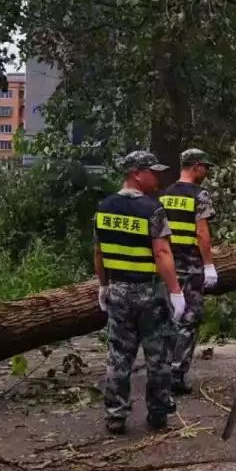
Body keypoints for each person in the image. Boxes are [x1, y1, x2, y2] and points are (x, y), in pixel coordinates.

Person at [94, 151, 186, 434]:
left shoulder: (104, 207)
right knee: (157, 356)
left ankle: (115, 414)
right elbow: (161, 251)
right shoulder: (152, 209)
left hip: (118, 292)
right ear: (136, 173)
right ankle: (158, 414)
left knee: (119, 355)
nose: (156, 177)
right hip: (149, 293)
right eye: (152, 172)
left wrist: (104, 284)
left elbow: (98, 251)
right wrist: (176, 292)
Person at [160, 148, 217, 395]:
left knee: (169, 317)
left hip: (169, 266)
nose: (206, 171)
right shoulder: (199, 195)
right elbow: (202, 233)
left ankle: (161, 370)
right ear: (195, 167)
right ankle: (177, 374)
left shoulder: (164, 194)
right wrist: (209, 265)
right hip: (191, 266)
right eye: (205, 166)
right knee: (189, 319)